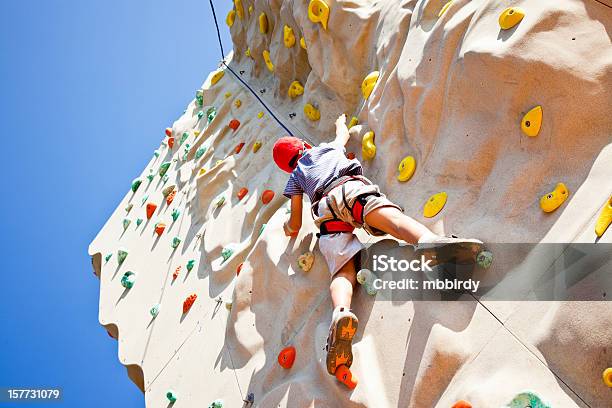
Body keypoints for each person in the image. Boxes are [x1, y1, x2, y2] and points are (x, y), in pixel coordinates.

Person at [273, 114, 481, 377]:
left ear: (286, 167)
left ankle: (340, 312)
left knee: (342, 271)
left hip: (326, 213)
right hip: (349, 190)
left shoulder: (294, 178)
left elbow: (295, 220)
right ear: (303, 144)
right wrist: (340, 122)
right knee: (393, 221)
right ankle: (429, 243)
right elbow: (342, 135)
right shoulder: (326, 147)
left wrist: (289, 229)